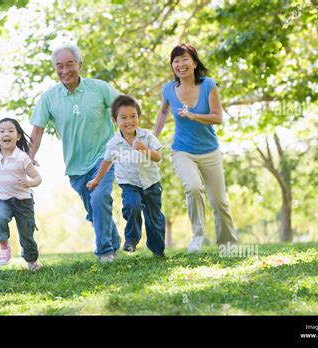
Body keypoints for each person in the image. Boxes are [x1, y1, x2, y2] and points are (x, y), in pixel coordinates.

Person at [29, 44, 121, 262]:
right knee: (94, 210)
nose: (65, 70)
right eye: (59, 66)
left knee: (99, 198)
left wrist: (129, 136)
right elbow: (37, 131)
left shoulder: (99, 88)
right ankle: (114, 241)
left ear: (80, 65)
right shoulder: (49, 98)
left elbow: (126, 108)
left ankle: (105, 252)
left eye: (69, 64)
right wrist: (28, 159)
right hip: (75, 165)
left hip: (104, 156)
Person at [154, 43, 238, 253]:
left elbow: (217, 118)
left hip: (210, 151)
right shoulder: (168, 90)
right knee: (193, 187)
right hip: (183, 150)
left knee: (219, 201)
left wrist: (193, 115)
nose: (180, 64)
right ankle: (197, 237)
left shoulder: (208, 85)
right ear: (172, 65)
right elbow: (164, 112)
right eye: (176, 61)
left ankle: (227, 245)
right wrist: (154, 136)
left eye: (184, 59)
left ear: (194, 62)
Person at [87, 95, 166, 257]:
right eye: (123, 117)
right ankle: (131, 239)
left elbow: (158, 157)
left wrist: (145, 150)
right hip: (129, 183)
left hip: (151, 183)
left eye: (133, 116)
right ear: (115, 120)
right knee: (132, 205)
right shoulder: (113, 143)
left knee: (155, 219)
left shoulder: (147, 136)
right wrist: (96, 180)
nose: (129, 121)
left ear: (138, 116)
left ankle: (158, 251)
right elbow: (107, 162)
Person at [0, 118, 42, 270]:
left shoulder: (22, 157)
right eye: (1, 131)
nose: (5, 134)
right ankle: (4, 248)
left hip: (23, 202)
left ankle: (31, 260)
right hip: (4, 200)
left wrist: (30, 183)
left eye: (10, 130)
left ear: (18, 136)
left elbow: (38, 178)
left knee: (27, 236)